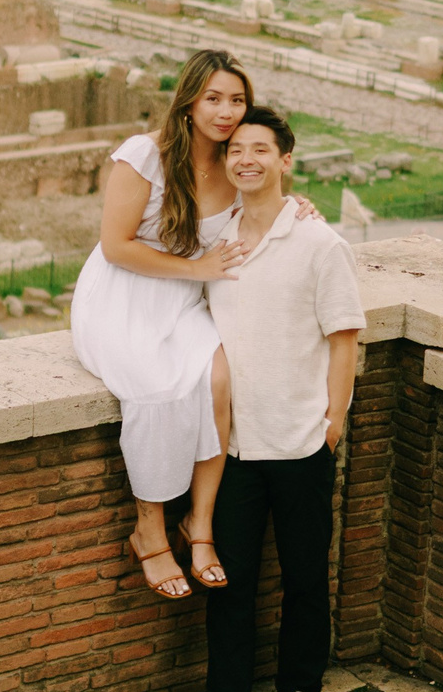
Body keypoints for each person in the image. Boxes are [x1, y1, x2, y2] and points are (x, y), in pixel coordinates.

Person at [72, 51, 302, 599]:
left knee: (219, 380)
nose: (226, 112)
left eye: (237, 100)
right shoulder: (145, 155)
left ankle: (199, 525)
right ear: (190, 99)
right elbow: (115, 246)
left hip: (185, 303)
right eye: (214, 98)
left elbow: (268, 196)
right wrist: (196, 267)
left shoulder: (234, 160)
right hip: (121, 295)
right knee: (153, 386)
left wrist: (301, 208)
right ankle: (148, 527)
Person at [191, 106, 364, 692]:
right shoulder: (218, 240)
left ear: (286, 159)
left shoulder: (321, 243)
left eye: (261, 148)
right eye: (236, 149)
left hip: (299, 442)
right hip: (230, 448)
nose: (247, 158)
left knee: (303, 580)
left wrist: (334, 419)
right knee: (228, 591)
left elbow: (345, 335)